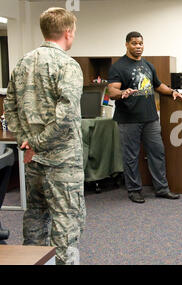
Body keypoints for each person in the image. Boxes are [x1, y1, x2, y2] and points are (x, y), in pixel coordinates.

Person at [4, 7, 85, 265]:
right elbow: (66, 115)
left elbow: (10, 107)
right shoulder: (68, 65)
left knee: (35, 217)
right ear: (68, 32)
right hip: (62, 163)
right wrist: (37, 143)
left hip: (33, 160)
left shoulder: (22, 63)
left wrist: (25, 141)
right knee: (66, 223)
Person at [108, 31, 182, 203]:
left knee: (157, 153)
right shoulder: (118, 66)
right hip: (128, 120)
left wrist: (173, 92)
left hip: (150, 118)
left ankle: (162, 189)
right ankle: (134, 191)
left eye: (141, 43)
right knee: (131, 157)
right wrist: (122, 92)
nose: (138, 47)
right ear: (127, 44)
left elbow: (158, 85)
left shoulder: (148, 66)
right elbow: (111, 91)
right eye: (134, 43)